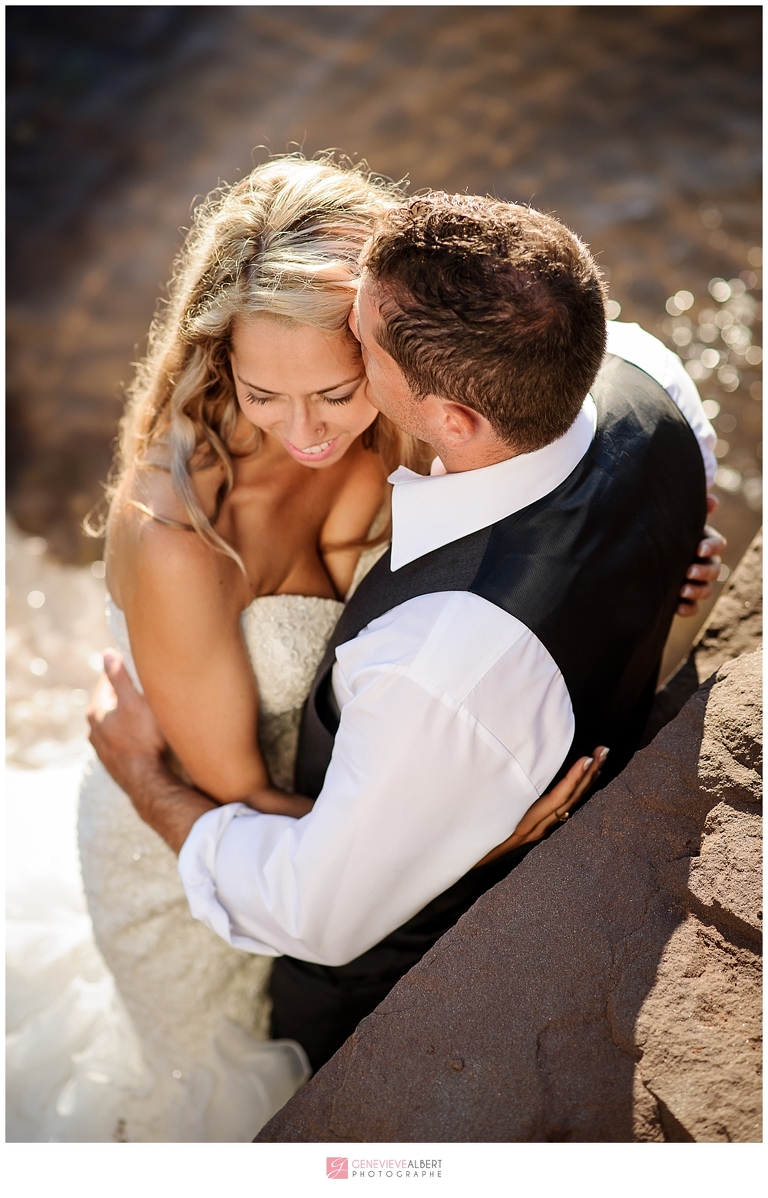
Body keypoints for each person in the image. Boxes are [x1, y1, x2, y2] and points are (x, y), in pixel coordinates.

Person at [90, 185, 723, 1085]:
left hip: (348, 813)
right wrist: (464, 837)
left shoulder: (428, 416)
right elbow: (268, 835)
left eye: (338, 389)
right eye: (263, 392)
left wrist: (667, 552)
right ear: (220, 355)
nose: (304, 431)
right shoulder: (178, 540)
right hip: (219, 831)